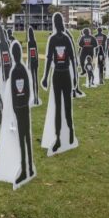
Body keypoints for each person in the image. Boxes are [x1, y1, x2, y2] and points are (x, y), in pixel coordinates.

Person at [41, 13, 77, 153]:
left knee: (67, 107)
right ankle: (58, 139)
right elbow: (49, 59)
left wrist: (75, 78)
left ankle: (70, 132)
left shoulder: (67, 39)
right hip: (57, 75)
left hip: (65, 74)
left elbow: (73, 58)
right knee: (58, 108)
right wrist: (45, 78)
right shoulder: (52, 39)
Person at [9, 42, 34, 185]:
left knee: (24, 138)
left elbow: (24, 90)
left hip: (22, 108)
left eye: (17, 53)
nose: (16, 55)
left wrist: (20, 105)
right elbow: (15, 91)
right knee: (24, 138)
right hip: (20, 108)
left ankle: (28, 169)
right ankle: (27, 167)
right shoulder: (17, 71)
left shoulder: (19, 71)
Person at [27, 27, 40, 106]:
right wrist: (37, 61)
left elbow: (29, 54)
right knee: (36, 80)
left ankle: (34, 97)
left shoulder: (29, 42)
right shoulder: (34, 42)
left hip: (31, 62)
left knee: (33, 80)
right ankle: (36, 97)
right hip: (35, 62)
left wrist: (28, 63)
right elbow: (36, 53)